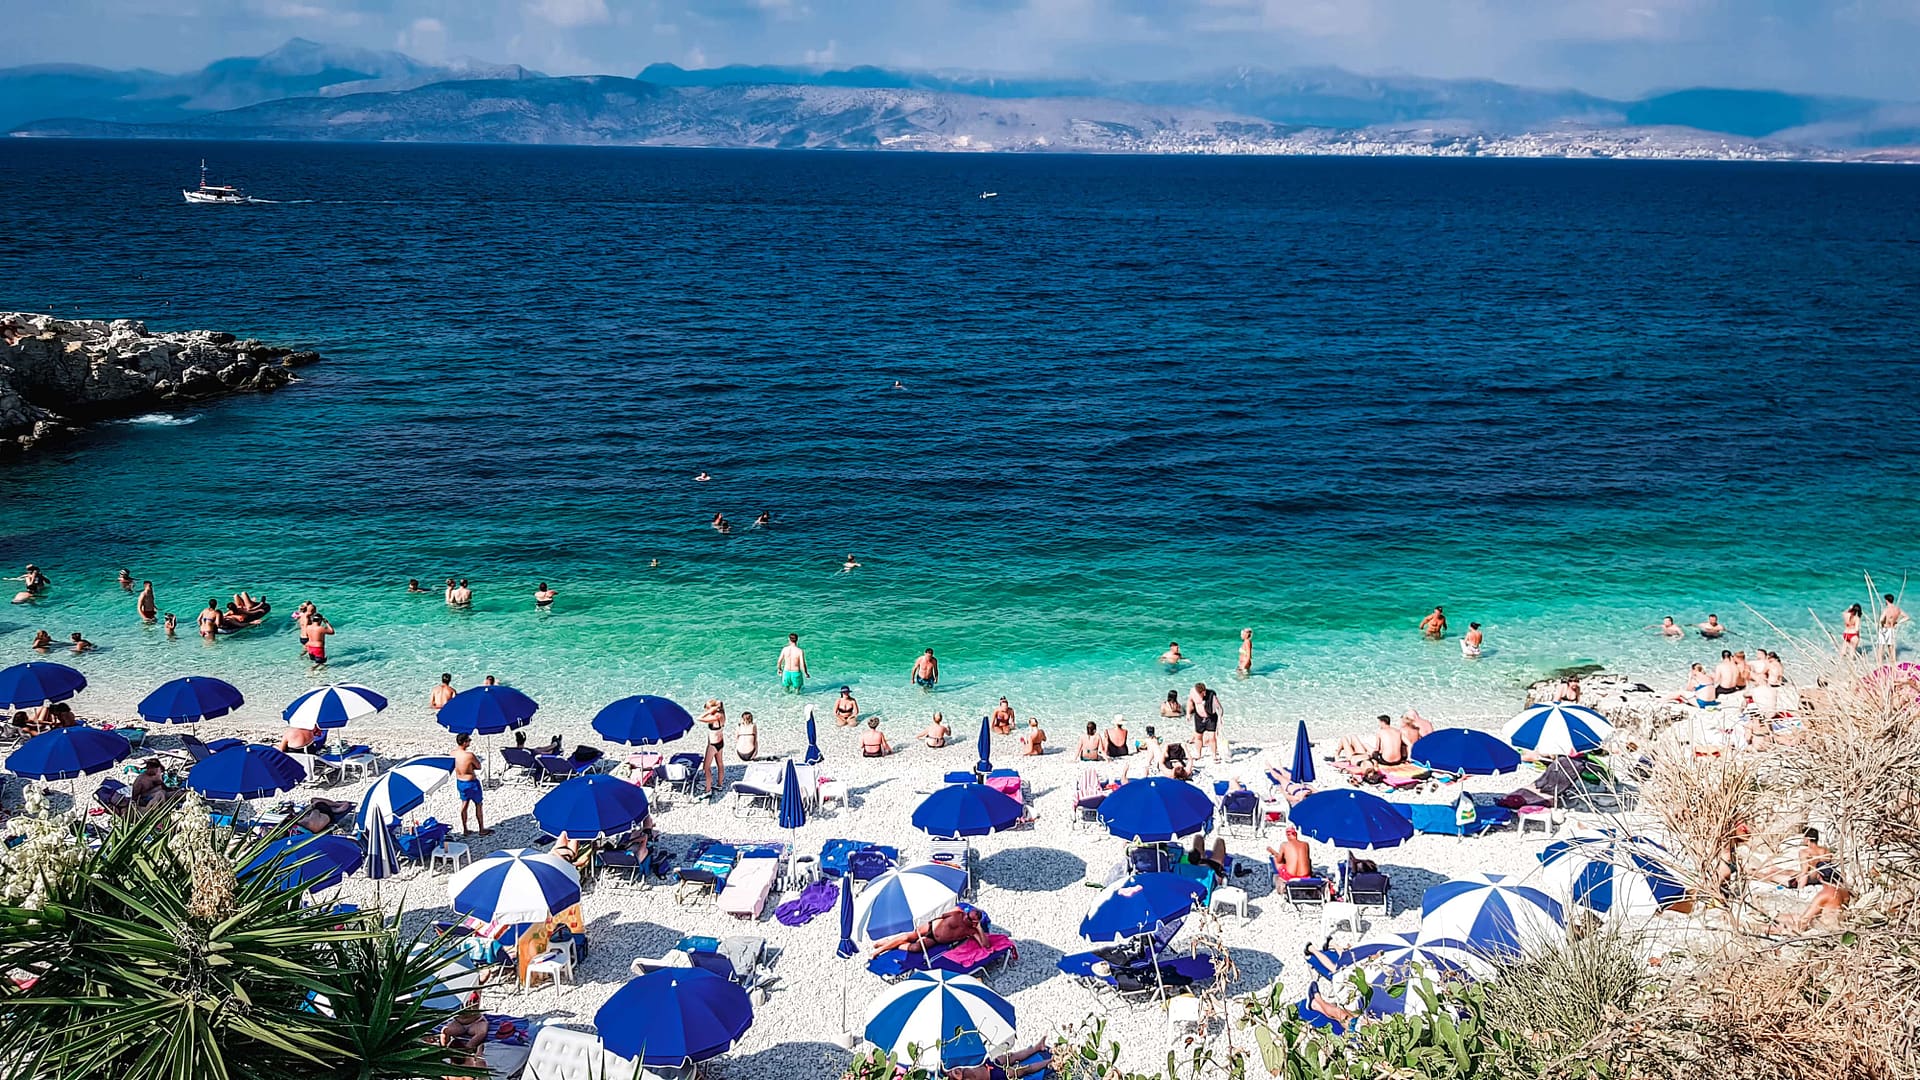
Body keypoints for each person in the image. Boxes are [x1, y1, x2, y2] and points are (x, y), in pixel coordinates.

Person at [871, 906, 989, 956]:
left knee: (915, 948)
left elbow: (986, 945)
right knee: (907, 937)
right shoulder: (958, 911)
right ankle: (880, 950)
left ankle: (888, 942)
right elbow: (940, 914)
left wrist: (979, 928)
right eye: (967, 914)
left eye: (969, 918)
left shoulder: (971, 931)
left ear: (975, 922)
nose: (965, 917)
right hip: (930, 926)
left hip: (935, 940)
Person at [437, 998, 490, 1074]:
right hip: (459, 1023)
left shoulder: (471, 998)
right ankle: (443, 1048)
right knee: (445, 1031)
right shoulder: (454, 1001)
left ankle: (469, 1048)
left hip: (476, 1022)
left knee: (481, 1033)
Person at [944, 1043, 1053, 1080]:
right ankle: (1050, 1061)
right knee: (1022, 1070)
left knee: (1011, 1056)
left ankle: (1037, 1048)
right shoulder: (963, 1077)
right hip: (994, 1076)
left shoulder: (958, 1064)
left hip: (989, 1065)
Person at [452, 733, 489, 836]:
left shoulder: (453, 753)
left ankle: (465, 829)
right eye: (469, 740)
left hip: (460, 782)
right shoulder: (469, 755)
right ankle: (481, 829)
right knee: (478, 804)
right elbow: (478, 766)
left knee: (464, 804)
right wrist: (470, 767)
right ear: (464, 743)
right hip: (471, 783)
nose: (470, 741)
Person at [1186, 682, 1223, 763]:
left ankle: (1214, 755)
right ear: (1197, 692)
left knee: (1212, 738)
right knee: (1198, 737)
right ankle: (1198, 755)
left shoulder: (1211, 695)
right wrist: (1188, 713)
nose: (1204, 694)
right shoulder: (1193, 692)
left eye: (1205, 692)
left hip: (1210, 718)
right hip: (1199, 718)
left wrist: (1220, 718)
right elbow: (1189, 701)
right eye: (1202, 693)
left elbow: (1219, 708)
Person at [699, 699, 726, 795]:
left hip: (713, 745)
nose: (706, 711)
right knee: (720, 764)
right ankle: (719, 785)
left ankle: (708, 790)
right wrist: (715, 708)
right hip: (720, 742)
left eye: (707, 709)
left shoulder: (715, 717)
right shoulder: (722, 714)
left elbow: (700, 718)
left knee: (706, 768)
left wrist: (710, 711)